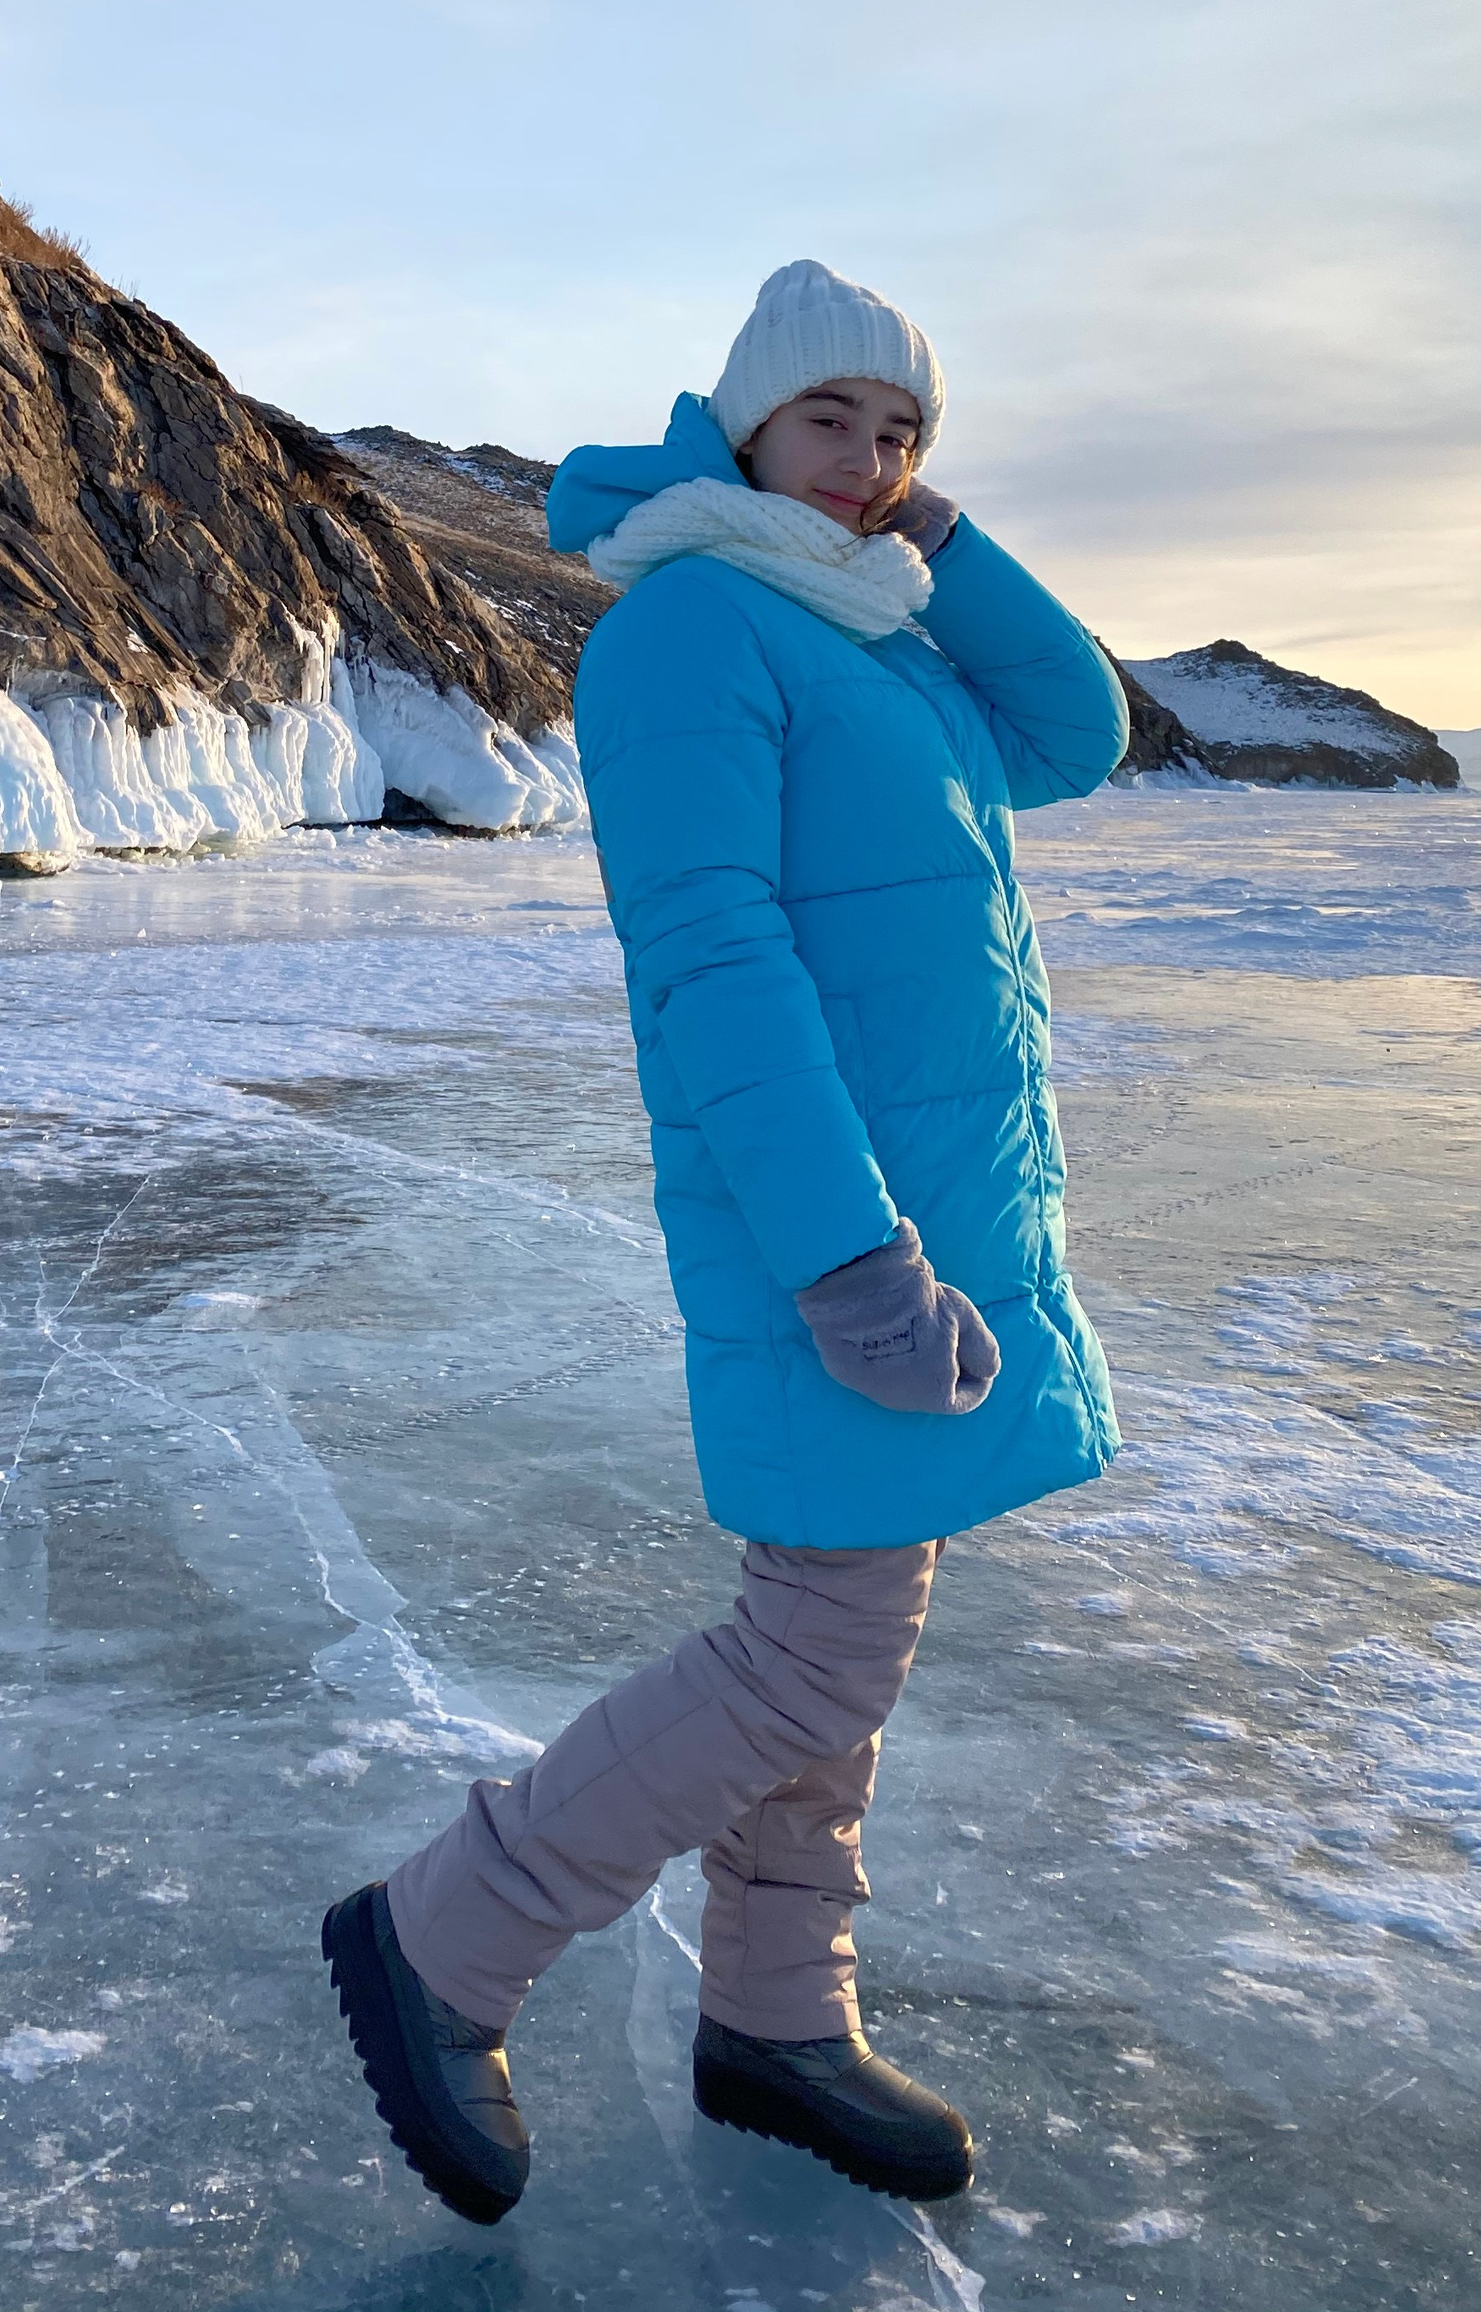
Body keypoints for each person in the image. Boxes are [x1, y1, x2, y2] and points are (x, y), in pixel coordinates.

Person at [323, 258, 1129, 2225]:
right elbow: (714, 962)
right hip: (828, 1223)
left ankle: (775, 2013)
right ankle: (448, 1928)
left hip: (933, 1218)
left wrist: (945, 538)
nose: (868, 458)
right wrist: (846, 1258)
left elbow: (1078, 727)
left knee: (843, 1628)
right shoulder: (691, 627)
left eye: (901, 429)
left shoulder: (881, 630)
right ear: (745, 421)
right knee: (813, 1648)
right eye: (831, 417)